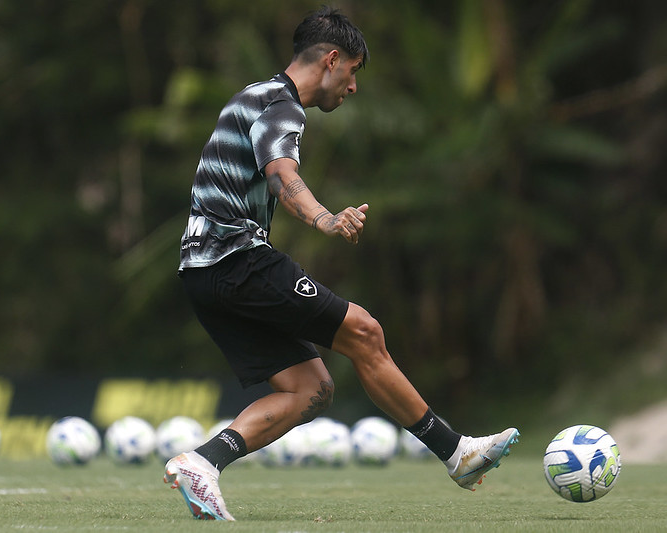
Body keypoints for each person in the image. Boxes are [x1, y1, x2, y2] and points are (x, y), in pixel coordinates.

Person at [163, 6, 519, 521]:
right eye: (352, 72)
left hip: (200, 272)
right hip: (235, 259)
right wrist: (326, 220)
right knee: (365, 333)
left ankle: (203, 463)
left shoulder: (254, 96)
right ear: (332, 60)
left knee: (311, 389)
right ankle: (456, 452)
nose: (352, 87)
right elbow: (283, 175)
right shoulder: (281, 104)